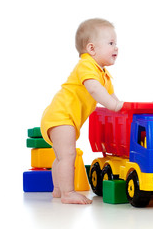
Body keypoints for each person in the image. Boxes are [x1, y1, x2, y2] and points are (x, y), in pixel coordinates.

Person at [41, 18, 123, 204]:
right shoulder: (87, 66)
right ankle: (68, 193)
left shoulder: (104, 75)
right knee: (68, 156)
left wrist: (122, 109)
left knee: (61, 156)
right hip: (61, 115)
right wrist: (114, 105)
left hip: (61, 117)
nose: (116, 48)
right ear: (92, 49)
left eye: (116, 43)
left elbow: (113, 98)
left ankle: (57, 189)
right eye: (111, 43)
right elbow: (95, 90)